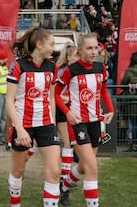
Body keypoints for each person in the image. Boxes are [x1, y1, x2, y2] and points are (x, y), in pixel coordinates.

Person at [55, 34, 115, 206]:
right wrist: (67, 113)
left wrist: (110, 110)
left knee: (83, 166)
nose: (93, 51)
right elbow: (56, 94)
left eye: (96, 48)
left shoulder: (100, 67)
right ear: (79, 50)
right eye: (89, 48)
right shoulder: (71, 70)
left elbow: (103, 90)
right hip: (77, 123)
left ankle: (64, 188)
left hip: (95, 121)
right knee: (92, 167)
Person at [7, 27, 61, 207]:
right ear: (39, 44)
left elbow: (52, 97)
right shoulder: (18, 65)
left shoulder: (52, 66)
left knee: (54, 172)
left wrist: (52, 122)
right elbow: (9, 101)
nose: (54, 48)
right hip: (23, 125)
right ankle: (15, 204)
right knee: (18, 170)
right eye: (51, 44)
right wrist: (20, 129)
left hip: (46, 124)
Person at [55, 43, 80, 187]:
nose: (79, 58)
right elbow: (57, 93)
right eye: (77, 55)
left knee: (67, 142)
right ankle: (64, 178)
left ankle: (64, 177)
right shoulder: (65, 71)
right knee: (67, 143)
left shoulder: (63, 69)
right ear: (70, 56)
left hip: (61, 108)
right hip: (60, 108)